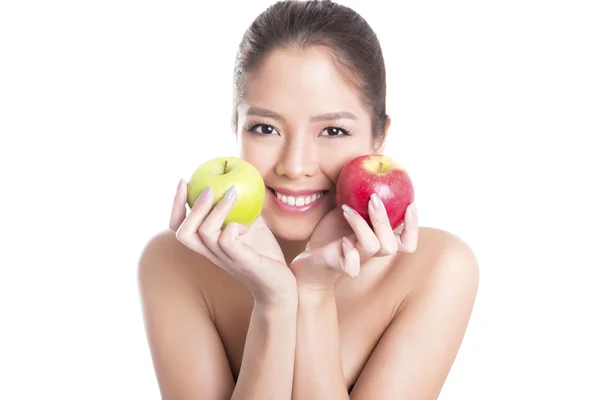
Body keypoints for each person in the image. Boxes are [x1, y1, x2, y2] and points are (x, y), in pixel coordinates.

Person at [137, 0, 480, 398]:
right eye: (265, 128)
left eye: (333, 131)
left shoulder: (438, 267)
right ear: (236, 125)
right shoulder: (175, 263)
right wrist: (276, 303)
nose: (294, 166)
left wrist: (313, 295)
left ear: (378, 138)